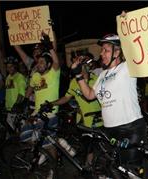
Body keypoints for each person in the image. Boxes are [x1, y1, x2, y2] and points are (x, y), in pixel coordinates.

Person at [71, 34, 146, 171]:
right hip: (110, 130)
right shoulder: (102, 75)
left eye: (106, 50)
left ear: (117, 52)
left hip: (129, 128)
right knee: (117, 169)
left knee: (132, 170)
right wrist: (78, 75)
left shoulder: (127, 67)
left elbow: (139, 49)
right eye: (102, 50)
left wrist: (126, 26)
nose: (101, 54)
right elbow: (89, 95)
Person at [20, 33, 60, 161]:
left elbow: (56, 61)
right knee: (24, 135)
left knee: (47, 144)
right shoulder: (35, 76)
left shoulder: (53, 74)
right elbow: (30, 88)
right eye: (39, 61)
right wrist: (25, 101)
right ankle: (44, 150)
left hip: (50, 113)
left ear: (48, 65)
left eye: (43, 62)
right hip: (36, 112)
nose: (39, 63)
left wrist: (49, 47)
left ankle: (53, 168)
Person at [51, 51, 102, 128]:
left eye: (78, 65)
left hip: (97, 122)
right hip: (81, 121)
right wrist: (51, 104)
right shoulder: (74, 82)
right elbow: (66, 97)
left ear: (86, 67)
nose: (75, 67)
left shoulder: (97, 79)